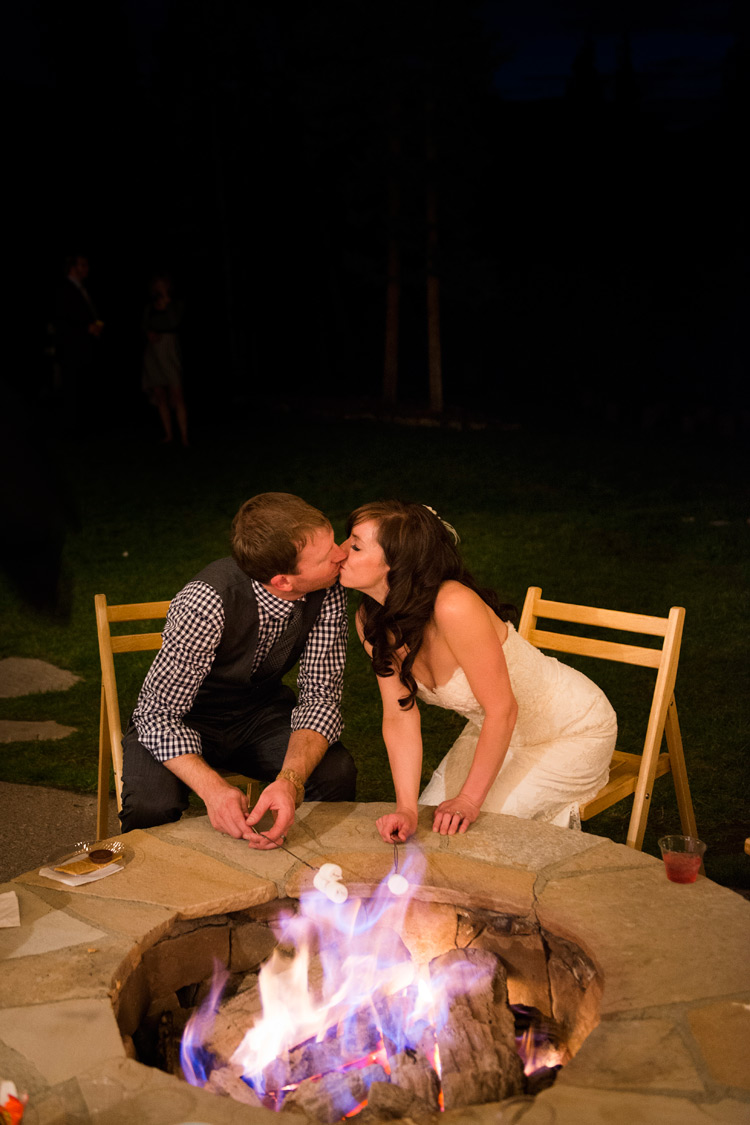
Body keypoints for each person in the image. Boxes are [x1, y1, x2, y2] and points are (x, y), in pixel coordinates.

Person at [339, 501, 617, 843]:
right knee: (425, 827)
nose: (339, 551)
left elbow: (503, 709)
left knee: (472, 833)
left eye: (355, 546)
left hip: (568, 731)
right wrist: (406, 808)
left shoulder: (453, 605)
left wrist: (469, 800)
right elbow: (399, 715)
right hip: (494, 732)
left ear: (397, 562)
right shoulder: (370, 620)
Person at [120, 492, 356, 849]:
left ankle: (310, 872)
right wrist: (212, 789)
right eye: (327, 556)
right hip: (183, 717)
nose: (342, 554)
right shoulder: (206, 602)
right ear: (283, 581)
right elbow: (157, 713)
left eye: (334, 542)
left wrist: (290, 781)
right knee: (150, 807)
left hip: (259, 715)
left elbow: (320, 695)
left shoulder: (327, 587)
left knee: (336, 773)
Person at [53, 253, 103, 422]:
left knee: (84, 390)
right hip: (72, 350)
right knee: (72, 391)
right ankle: (73, 426)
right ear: (73, 267)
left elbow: (94, 314)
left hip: (87, 348)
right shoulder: (64, 290)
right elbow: (62, 321)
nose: (87, 269)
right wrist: (85, 329)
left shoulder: (84, 289)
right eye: (83, 265)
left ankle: (84, 423)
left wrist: (98, 326)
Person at [141, 273, 189, 446]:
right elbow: (144, 325)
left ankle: (184, 436)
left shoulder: (176, 304)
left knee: (176, 392)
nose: (160, 286)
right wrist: (149, 333)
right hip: (153, 351)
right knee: (160, 393)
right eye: (157, 284)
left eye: (163, 283)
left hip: (169, 349)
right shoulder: (149, 307)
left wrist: (167, 303)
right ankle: (168, 434)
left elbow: (174, 322)